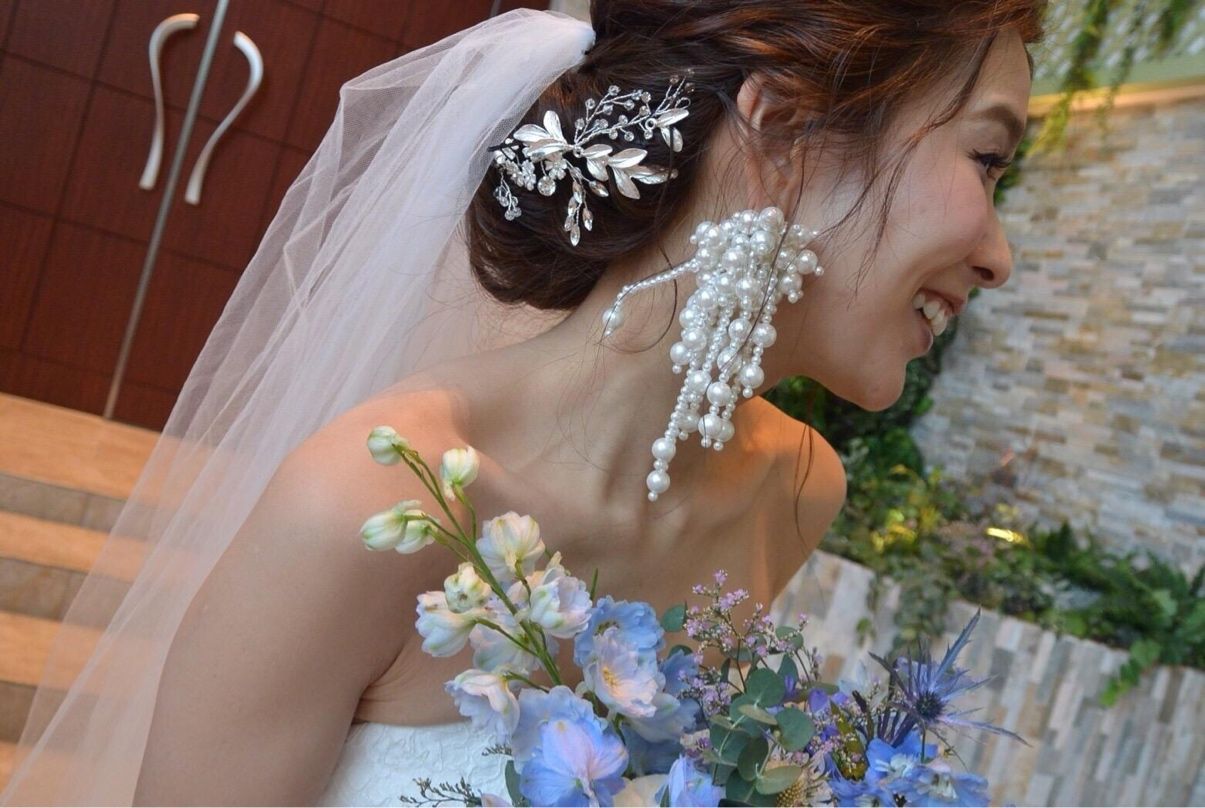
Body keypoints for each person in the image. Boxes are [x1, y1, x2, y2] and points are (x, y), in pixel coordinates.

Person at [1, 1, 1042, 804]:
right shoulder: (373, 504)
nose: (998, 256)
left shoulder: (796, 492)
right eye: (985, 158)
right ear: (785, 129)